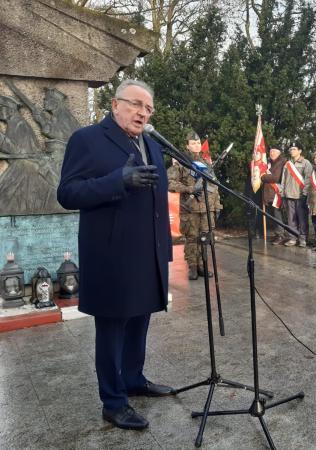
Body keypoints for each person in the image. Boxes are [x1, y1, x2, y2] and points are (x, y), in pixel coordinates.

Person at [57, 79, 174, 430]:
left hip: (148, 251)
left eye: (149, 108)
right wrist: (117, 181)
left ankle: (134, 378)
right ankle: (113, 400)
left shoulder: (151, 144)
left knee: (141, 318)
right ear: (115, 104)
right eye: (137, 104)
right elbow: (67, 193)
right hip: (111, 254)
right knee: (112, 328)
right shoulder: (87, 139)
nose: (143, 112)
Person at [167, 131, 222, 279]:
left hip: (207, 208)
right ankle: (192, 267)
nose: (196, 145)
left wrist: (217, 206)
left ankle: (203, 266)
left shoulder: (206, 164)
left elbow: (214, 187)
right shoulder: (182, 162)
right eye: (193, 143)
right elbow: (169, 182)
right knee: (192, 238)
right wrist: (189, 189)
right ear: (187, 146)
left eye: (198, 143)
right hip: (190, 208)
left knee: (205, 238)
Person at [280, 143, 312, 247]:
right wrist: (282, 192)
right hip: (289, 195)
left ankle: (303, 239)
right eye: (291, 149)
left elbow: (308, 179)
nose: (292, 151)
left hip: (300, 196)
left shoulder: (306, 163)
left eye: (294, 149)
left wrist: (305, 193)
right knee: (291, 219)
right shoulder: (287, 164)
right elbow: (283, 180)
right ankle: (292, 238)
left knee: (302, 219)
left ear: (300, 151)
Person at [260, 146, 287, 245]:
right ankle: (277, 234)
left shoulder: (281, 162)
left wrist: (262, 177)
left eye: (274, 152)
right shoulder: (269, 163)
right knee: (273, 216)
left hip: (276, 193)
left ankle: (281, 235)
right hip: (269, 193)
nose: (272, 154)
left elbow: (275, 178)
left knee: (277, 215)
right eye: (271, 152)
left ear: (279, 153)